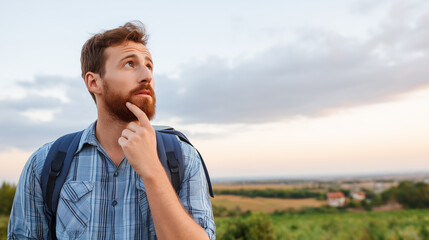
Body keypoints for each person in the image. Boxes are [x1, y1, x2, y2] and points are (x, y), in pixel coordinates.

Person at [8, 21, 215, 240]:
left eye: (149, 66)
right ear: (94, 82)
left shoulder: (183, 158)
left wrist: (152, 170)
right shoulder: (44, 163)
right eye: (129, 64)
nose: (147, 76)